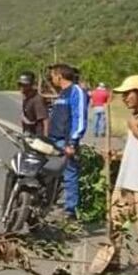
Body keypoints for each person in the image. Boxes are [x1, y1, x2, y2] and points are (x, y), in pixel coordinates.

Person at [90, 75, 138, 275]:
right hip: (127, 179)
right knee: (114, 219)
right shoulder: (136, 117)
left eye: (128, 94)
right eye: (122, 95)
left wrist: (134, 129)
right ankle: (113, 258)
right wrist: (116, 155)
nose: (124, 98)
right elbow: (137, 149)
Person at [47, 64, 89, 220]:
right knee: (50, 172)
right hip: (54, 139)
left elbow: (79, 118)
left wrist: (72, 142)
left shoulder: (76, 91)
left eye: (52, 75)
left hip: (65, 142)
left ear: (59, 76)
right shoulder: (62, 93)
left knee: (69, 174)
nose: (51, 79)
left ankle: (70, 211)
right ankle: (50, 203)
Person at [19, 71, 48, 137]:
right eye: (20, 84)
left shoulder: (37, 99)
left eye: (25, 85)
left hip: (37, 136)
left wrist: (46, 139)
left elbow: (45, 120)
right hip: (28, 133)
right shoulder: (26, 98)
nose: (21, 87)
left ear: (31, 85)